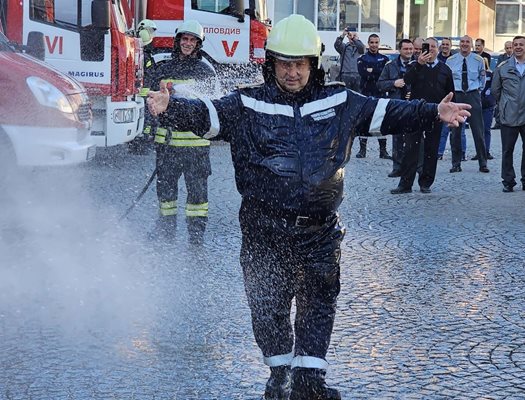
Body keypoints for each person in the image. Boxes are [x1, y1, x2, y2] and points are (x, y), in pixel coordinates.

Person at [147, 14, 470, 400]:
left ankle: (309, 380)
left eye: (299, 63)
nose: (292, 72)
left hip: (319, 230)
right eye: (284, 63)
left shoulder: (339, 101)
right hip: (264, 229)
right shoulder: (248, 103)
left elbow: (385, 113)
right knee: (268, 309)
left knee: (319, 302)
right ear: (271, 63)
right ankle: (280, 372)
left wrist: (434, 111)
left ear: (313, 63)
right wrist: (171, 107)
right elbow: (208, 115)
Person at [150, 20, 219, 244]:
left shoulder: (205, 71)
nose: (187, 43)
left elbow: (214, 107)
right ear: (177, 41)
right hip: (167, 145)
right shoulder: (163, 69)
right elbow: (148, 97)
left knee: (198, 197)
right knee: (166, 194)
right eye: (184, 39)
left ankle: (196, 237)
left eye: (192, 40)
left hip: (196, 147)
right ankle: (166, 232)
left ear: (198, 44)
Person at [390, 37, 454, 194]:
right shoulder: (415, 65)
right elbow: (407, 81)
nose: (430, 49)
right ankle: (405, 184)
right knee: (410, 149)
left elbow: (450, 93)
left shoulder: (445, 70)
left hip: (436, 114)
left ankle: (426, 182)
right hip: (416, 113)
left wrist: (450, 113)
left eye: (433, 46)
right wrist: (419, 64)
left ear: (438, 49)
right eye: (427, 46)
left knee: (431, 150)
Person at [446, 35, 489, 173]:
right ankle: (456, 163)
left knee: (478, 130)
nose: (464, 44)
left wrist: (476, 92)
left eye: (467, 42)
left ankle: (483, 162)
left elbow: (482, 79)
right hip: (457, 95)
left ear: (471, 44)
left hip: (472, 94)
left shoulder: (478, 60)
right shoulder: (451, 61)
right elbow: (447, 80)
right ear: (459, 45)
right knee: (455, 131)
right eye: (462, 42)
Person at [491, 35, 525, 192]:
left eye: (521, 44)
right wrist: (504, 105)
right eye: (515, 44)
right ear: (512, 47)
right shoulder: (503, 67)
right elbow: (495, 91)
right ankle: (508, 181)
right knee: (507, 150)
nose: (518, 47)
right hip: (508, 115)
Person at [377, 39, 414, 177]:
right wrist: (393, 83)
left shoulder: (417, 65)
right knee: (397, 137)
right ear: (400, 50)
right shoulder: (390, 66)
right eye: (406, 49)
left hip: (413, 105)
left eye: (411, 49)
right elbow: (380, 84)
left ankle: (412, 167)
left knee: (413, 138)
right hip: (397, 106)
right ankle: (397, 167)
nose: (409, 51)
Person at [356, 34, 391, 159]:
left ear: (379, 43)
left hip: (381, 94)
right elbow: (363, 74)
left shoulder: (385, 59)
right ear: (368, 43)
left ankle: (383, 151)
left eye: (376, 42)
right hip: (365, 94)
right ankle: (362, 150)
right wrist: (376, 71)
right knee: (364, 120)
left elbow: (385, 75)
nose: (374, 45)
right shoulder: (362, 58)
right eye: (372, 42)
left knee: (381, 120)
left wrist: (372, 70)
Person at [437, 37, 467, 161]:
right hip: (444, 97)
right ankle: (439, 153)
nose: (445, 46)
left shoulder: (456, 59)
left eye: (447, 44)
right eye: (443, 44)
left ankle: (462, 153)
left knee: (460, 128)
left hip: (458, 95)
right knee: (443, 129)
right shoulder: (437, 59)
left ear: (450, 46)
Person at [334, 27, 365, 91]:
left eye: (354, 35)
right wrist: (343, 35)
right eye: (350, 36)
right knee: (345, 95)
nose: (352, 37)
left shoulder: (359, 47)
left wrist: (354, 39)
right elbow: (337, 45)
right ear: (347, 37)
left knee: (357, 95)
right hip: (345, 75)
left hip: (357, 75)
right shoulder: (344, 47)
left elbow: (362, 49)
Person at [493, 41, 514, 129]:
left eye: (510, 48)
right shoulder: (501, 57)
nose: (509, 50)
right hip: (502, 84)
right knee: (499, 106)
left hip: (512, 85)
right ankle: (498, 122)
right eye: (507, 48)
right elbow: (497, 69)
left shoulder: (517, 58)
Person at [478, 58, 496, 160]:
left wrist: (491, 99)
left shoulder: (490, 74)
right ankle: (479, 151)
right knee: (478, 130)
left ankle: (486, 151)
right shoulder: (476, 74)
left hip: (488, 105)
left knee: (486, 129)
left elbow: (494, 88)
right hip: (477, 104)